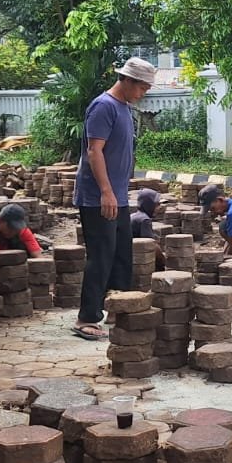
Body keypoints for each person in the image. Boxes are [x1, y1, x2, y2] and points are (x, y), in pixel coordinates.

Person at [74, 56, 156, 341]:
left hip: (117, 195)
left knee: (122, 253)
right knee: (101, 255)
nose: (143, 93)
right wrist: (106, 191)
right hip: (98, 197)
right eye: (142, 87)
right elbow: (94, 152)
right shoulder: (103, 106)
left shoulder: (124, 108)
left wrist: (117, 191)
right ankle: (86, 317)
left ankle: (118, 306)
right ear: (128, 80)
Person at [130, 187, 166, 269]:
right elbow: (151, 245)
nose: (159, 207)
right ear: (149, 205)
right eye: (157, 205)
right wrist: (163, 262)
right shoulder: (144, 220)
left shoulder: (134, 215)